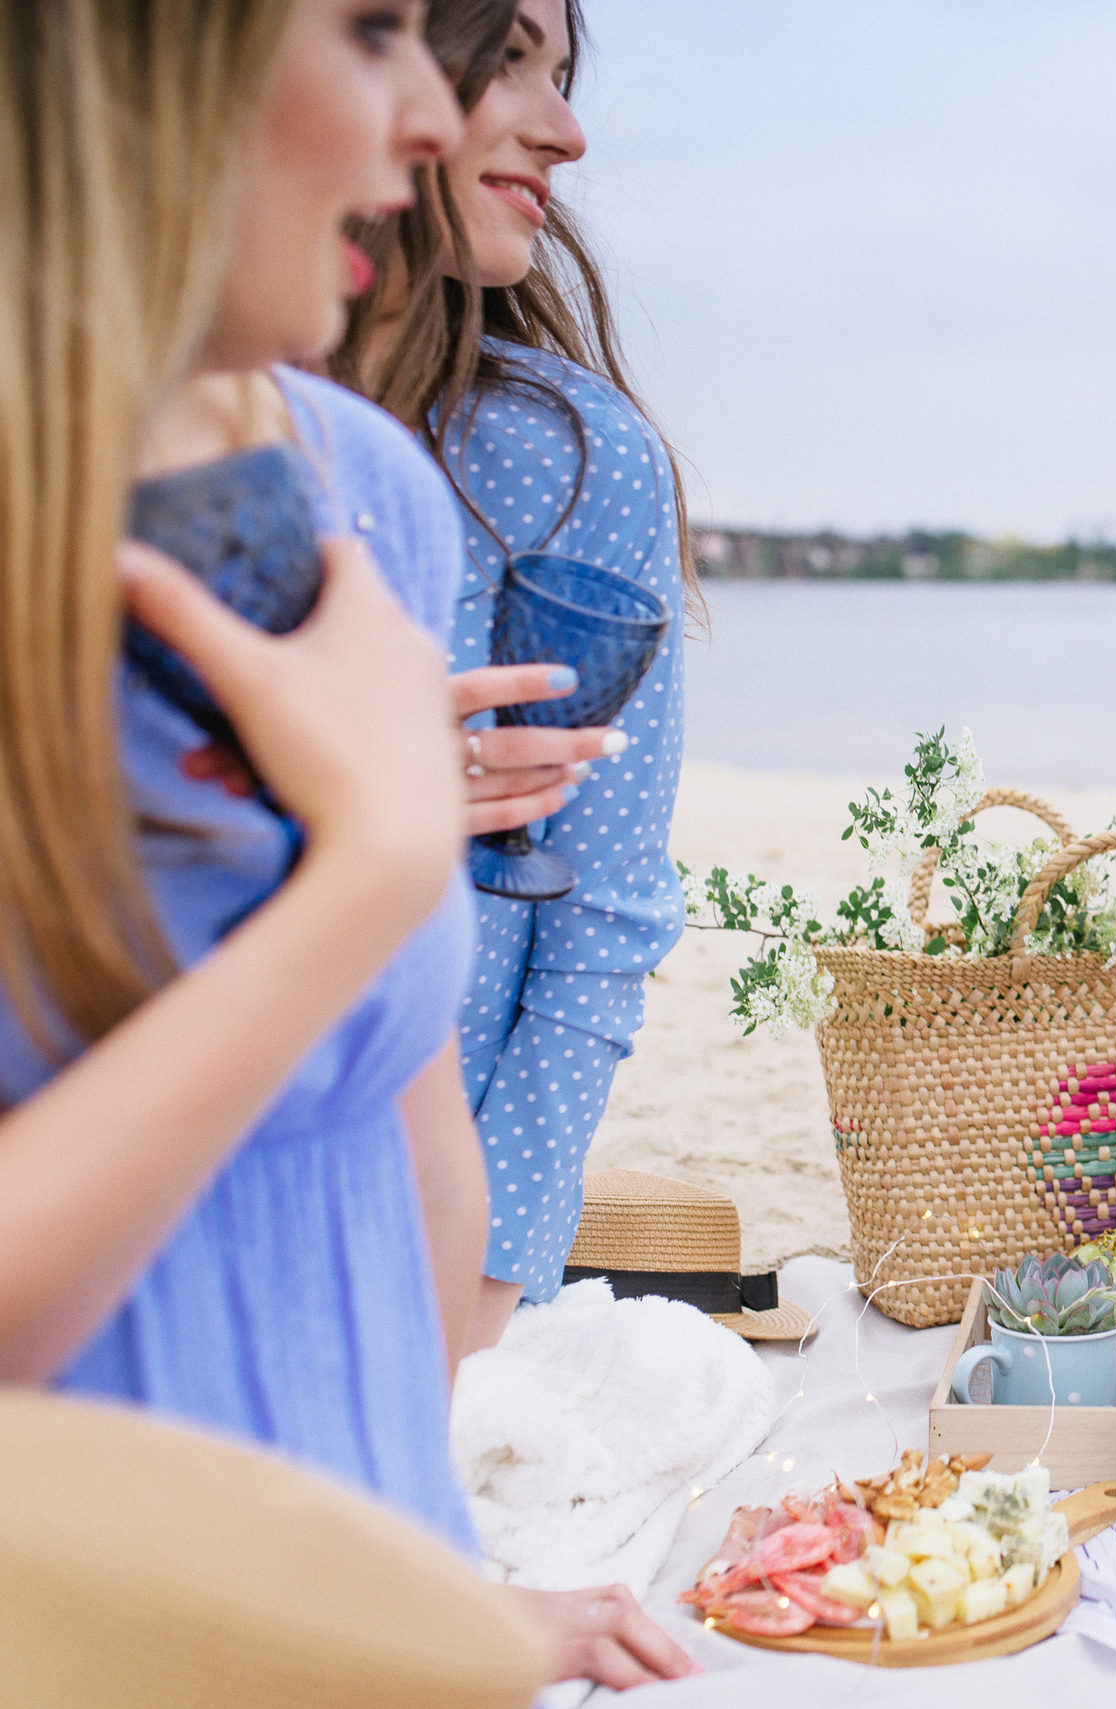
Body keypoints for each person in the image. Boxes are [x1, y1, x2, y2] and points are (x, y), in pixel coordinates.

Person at [0, 0, 693, 1685]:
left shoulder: (364, 493)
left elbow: (402, 1157)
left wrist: (432, 1580)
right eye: (376, 30)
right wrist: (370, 868)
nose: (434, 117)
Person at [335, 0, 690, 1353]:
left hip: (430, 1258)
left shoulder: (563, 454)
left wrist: (481, 1293)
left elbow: (599, 914)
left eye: (566, 69)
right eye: (512, 58)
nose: (567, 129)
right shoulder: (182, 435)